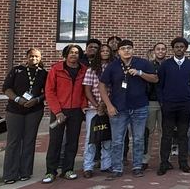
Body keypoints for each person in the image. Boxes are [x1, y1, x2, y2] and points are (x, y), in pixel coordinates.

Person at [99, 40, 157, 179]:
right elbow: (102, 85)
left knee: (138, 139)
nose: (126, 51)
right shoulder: (112, 66)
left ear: (133, 50)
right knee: (117, 140)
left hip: (139, 107)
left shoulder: (142, 63)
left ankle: (137, 166)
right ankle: (117, 168)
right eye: (123, 48)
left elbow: (155, 79)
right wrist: (109, 105)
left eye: (129, 48)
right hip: (118, 109)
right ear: (118, 51)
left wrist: (140, 73)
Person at [1, 48, 47, 184]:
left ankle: (25, 172)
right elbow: (6, 88)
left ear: (40, 58)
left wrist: (37, 100)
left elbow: (47, 91)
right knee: (13, 141)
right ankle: (10, 174)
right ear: (27, 57)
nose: (34, 59)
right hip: (15, 110)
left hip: (34, 110)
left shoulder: (44, 73)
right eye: (31, 56)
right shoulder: (17, 70)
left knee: (29, 141)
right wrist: (17, 99)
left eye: (37, 57)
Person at [43, 44, 87, 183]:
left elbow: (86, 91)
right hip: (59, 111)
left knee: (72, 141)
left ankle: (68, 169)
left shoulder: (84, 70)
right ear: (66, 54)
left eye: (76, 53)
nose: (74, 55)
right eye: (71, 52)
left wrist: (83, 106)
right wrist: (57, 111)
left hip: (76, 111)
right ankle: (50, 171)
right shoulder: (56, 69)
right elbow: (50, 91)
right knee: (55, 141)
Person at [156, 37, 190, 175]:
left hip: (185, 105)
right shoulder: (166, 65)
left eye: (182, 47)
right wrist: (162, 101)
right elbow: (159, 85)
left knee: (183, 135)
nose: (179, 49)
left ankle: (183, 162)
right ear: (173, 49)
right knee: (166, 135)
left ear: (185, 49)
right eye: (177, 47)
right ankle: (164, 163)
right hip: (169, 104)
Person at [82, 44, 113, 178]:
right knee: (91, 138)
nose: (105, 52)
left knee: (108, 137)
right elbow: (87, 90)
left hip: (110, 108)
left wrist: (106, 105)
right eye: (102, 51)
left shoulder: (115, 68)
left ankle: (107, 164)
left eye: (107, 51)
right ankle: (87, 166)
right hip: (94, 108)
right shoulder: (91, 70)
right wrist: (97, 105)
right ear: (98, 53)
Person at [143, 41, 167, 164]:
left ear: (166, 51)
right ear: (154, 51)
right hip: (151, 101)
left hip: (166, 103)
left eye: (163, 49)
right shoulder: (149, 65)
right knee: (149, 132)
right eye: (158, 49)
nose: (160, 51)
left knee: (164, 132)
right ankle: (145, 159)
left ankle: (164, 159)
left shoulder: (170, 65)